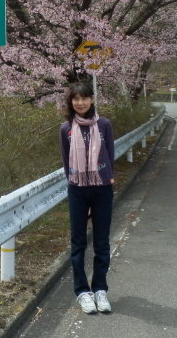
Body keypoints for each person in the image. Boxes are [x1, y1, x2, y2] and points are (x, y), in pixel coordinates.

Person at [59, 81, 115, 314]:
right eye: (76, 99)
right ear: (71, 102)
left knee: (102, 242)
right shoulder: (66, 129)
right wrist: (78, 183)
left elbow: (110, 154)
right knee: (78, 243)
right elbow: (66, 161)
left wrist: (105, 179)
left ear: (92, 99)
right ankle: (82, 291)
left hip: (102, 188)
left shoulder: (104, 124)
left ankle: (100, 289)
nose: (80, 103)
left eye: (84, 98)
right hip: (77, 189)